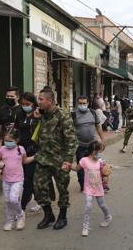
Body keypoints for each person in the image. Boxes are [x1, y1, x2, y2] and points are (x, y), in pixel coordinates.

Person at [33, 88, 78, 230]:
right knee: (39, 187)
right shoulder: (42, 114)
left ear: (50, 101)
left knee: (62, 188)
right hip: (43, 158)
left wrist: (68, 160)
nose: (38, 102)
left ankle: (62, 216)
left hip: (60, 160)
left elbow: (71, 139)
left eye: (41, 99)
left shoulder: (63, 115)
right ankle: (48, 215)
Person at [0, 130, 34, 231]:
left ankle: (20, 215)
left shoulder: (21, 149)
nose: (7, 143)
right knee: (7, 201)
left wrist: (34, 157)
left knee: (13, 199)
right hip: (6, 180)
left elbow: (25, 160)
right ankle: (9, 221)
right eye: (5, 140)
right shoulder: (2, 149)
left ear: (17, 140)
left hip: (18, 180)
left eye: (10, 141)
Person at [67, 141, 112, 237]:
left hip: (98, 187)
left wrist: (106, 177)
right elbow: (76, 168)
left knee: (102, 204)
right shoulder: (84, 160)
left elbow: (105, 173)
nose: (99, 153)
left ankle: (108, 217)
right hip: (88, 188)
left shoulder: (100, 161)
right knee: (88, 205)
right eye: (98, 151)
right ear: (93, 151)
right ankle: (85, 227)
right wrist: (69, 166)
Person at [14, 92, 42, 212]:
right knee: (25, 178)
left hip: (33, 151)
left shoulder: (39, 114)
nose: (25, 106)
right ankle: (39, 199)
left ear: (33, 103)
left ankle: (22, 207)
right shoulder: (20, 113)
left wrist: (38, 117)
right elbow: (15, 130)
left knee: (28, 180)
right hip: (20, 150)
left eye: (27, 104)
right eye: (23, 104)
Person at [72, 96, 106, 192]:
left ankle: (96, 183)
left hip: (93, 146)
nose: (82, 105)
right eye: (80, 103)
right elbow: (69, 130)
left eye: (84, 103)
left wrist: (102, 139)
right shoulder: (74, 115)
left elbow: (98, 126)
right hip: (80, 146)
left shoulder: (92, 112)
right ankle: (83, 185)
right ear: (77, 104)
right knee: (81, 167)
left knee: (94, 166)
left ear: (87, 104)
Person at [0, 86, 21, 151]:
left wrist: (17, 125)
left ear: (17, 97)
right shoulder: (2, 110)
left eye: (12, 96)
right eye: (7, 96)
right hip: (6, 145)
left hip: (20, 145)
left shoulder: (22, 110)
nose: (9, 98)